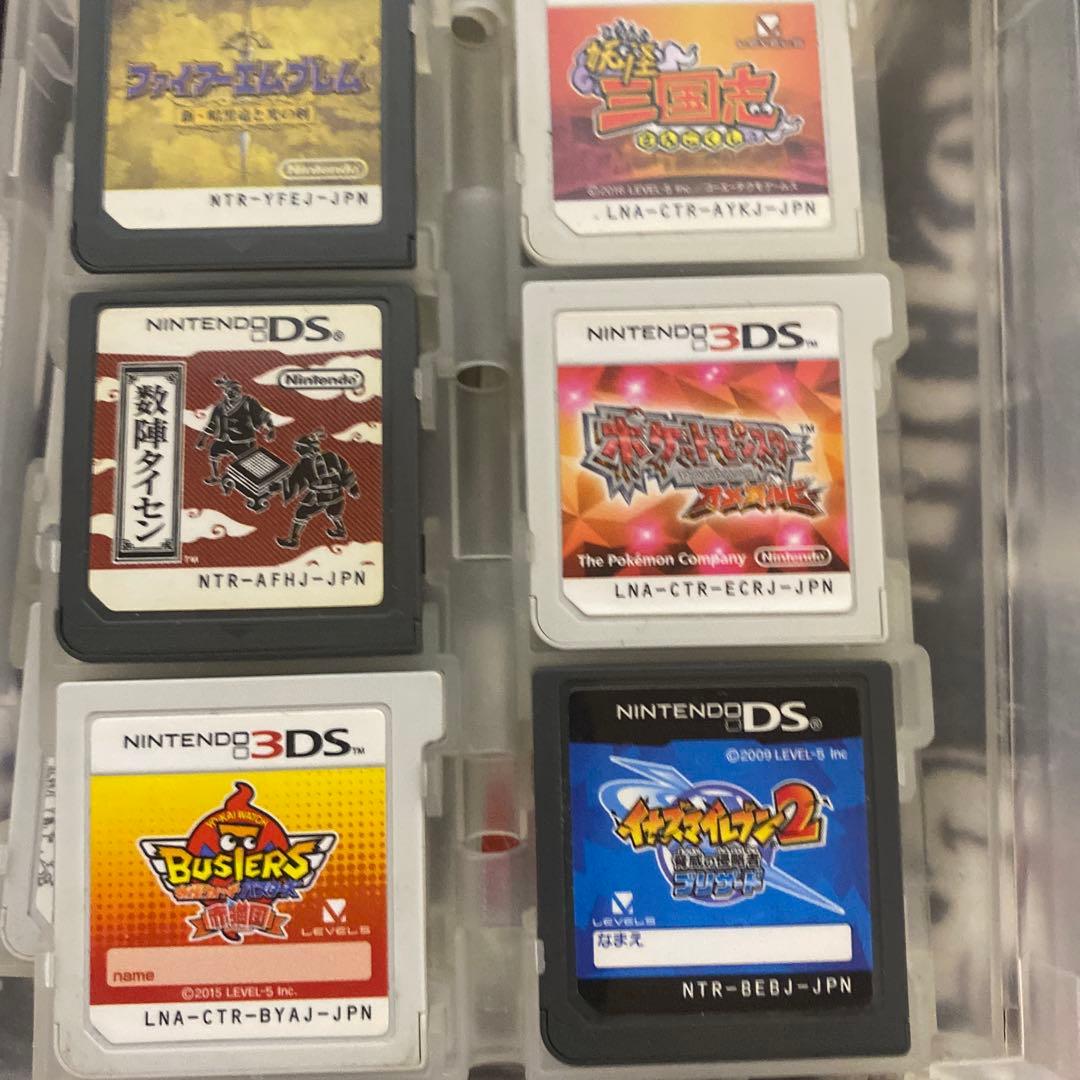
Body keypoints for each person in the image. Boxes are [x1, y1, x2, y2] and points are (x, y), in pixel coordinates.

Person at [276, 431, 361, 548]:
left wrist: (279, 486)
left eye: (299, 447)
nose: (296, 450)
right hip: (337, 494)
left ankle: (293, 540)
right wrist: (352, 488)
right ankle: (341, 530)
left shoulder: (306, 463)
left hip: (318, 496)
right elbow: (346, 472)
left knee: (301, 514)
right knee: (333, 512)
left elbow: (294, 481)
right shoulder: (332, 456)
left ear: (307, 448)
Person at [195, 376, 275, 484]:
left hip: (243, 439)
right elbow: (212, 424)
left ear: (239, 391)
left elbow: (263, 415)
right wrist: (203, 439)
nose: (232, 393)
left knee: (248, 462)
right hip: (224, 439)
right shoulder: (220, 407)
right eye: (228, 391)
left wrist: (271, 429)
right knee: (214, 452)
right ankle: (215, 476)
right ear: (225, 392)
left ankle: (252, 480)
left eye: (234, 390)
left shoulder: (248, 402)